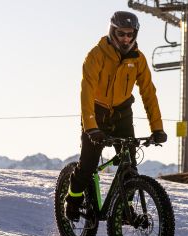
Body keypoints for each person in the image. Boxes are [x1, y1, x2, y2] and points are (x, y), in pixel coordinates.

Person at [65, 11, 168, 221]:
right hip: (97, 113)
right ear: (112, 31)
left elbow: (149, 93)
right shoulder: (96, 55)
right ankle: (72, 201)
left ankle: (125, 208)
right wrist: (91, 127)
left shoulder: (138, 59)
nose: (126, 38)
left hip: (122, 114)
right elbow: (87, 92)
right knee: (88, 165)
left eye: (130, 34)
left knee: (129, 165)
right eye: (121, 34)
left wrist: (157, 128)